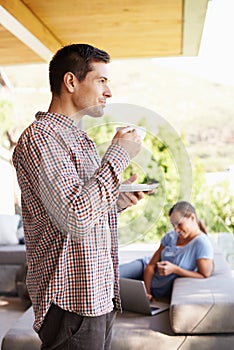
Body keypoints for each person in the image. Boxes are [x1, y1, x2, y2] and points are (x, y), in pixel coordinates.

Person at [12, 44, 146, 350]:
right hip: (70, 302)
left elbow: (81, 206)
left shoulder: (80, 139)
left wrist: (118, 201)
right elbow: (74, 217)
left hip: (97, 295)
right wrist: (118, 156)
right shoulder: (41, 138)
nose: (109, 92)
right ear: (71, 82)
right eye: (101, 81)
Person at [120, 201, 214, 300]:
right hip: (143, 269)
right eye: (173, 225)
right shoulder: (171, 236)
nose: (176, 229)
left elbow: (204, 275)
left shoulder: (202, 243)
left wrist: (175, 269)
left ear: (192, 218)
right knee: (109, 276)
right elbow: (150, 265)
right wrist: (146, 293)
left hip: (156, 288)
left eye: (179, 224)